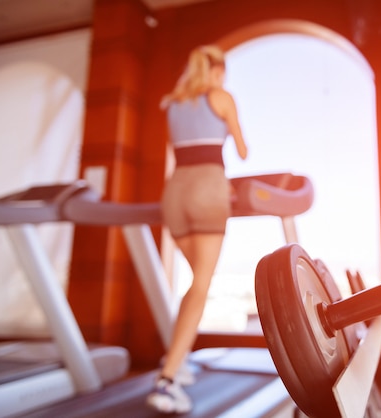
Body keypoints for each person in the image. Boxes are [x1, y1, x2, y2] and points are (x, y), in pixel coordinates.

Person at [146, 45, 248, 414]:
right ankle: (168, 380)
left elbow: (181, 151)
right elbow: (242, 148)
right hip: (208, 188)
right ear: (217, 71)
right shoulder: (221, 96)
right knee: (202, 284)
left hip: (174, 193)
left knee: (196, 283)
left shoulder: (172, 103)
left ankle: (177, 358)